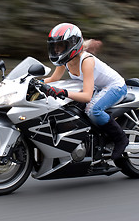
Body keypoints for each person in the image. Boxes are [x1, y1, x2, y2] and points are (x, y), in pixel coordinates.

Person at [42, 23, 129, 160]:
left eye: (61, 46)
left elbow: (87, 96)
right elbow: (54, 78)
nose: (57, 50)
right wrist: (35, 83)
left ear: (72, 44)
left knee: (93, 110)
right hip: (97, 88)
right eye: (55, 46)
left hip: (115, 87)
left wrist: (62, 92)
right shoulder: (65, 60)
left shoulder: (86, 61)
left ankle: (121, 139)